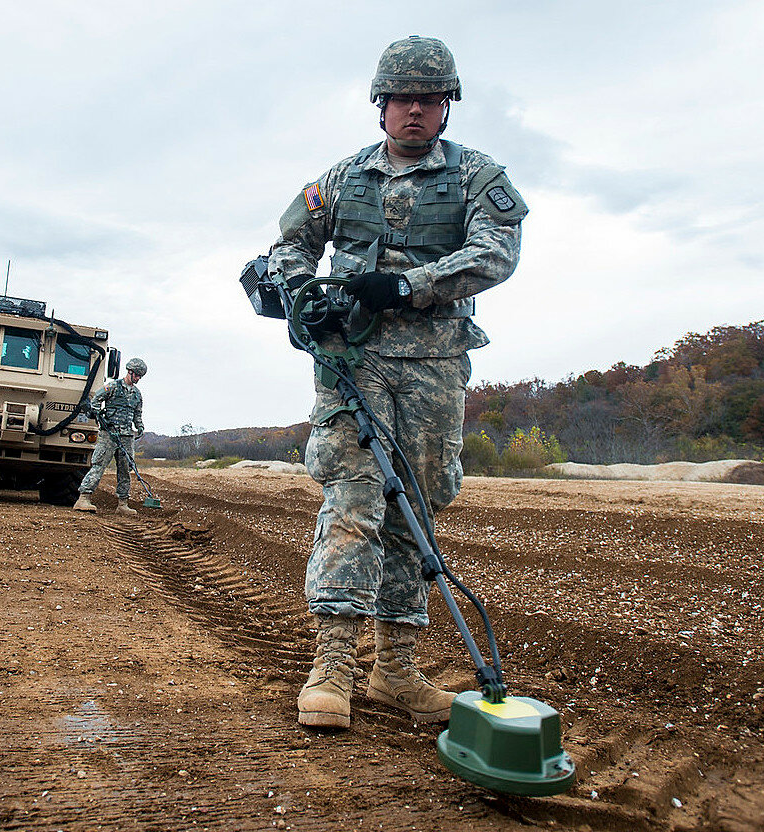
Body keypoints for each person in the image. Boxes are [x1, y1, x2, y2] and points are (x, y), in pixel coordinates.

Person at [267, 35, 527, 729]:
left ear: (447, 106)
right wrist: (302, 290)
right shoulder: (345, 177)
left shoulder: (476, 175)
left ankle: (396, 671)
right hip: (352, 363)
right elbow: (289, 241)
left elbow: (496, 253)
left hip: (435, 366)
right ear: (381, 105)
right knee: (354, 502)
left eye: (429, 99)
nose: (415, 110)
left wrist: (408, 284)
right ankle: (331, 670)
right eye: (403, 99)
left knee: (416, 507)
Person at [73, 357, 147, 515]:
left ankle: (122, 504)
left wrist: (139, 426)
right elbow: (95, 401)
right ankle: (84, 498)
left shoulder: (136, 394)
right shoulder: (113, 387)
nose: (138, 378)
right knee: (99, 465)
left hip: (127, 435)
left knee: (125, 469)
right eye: (137, 375)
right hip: (109, 434)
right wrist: (100, 416)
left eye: (140, 376)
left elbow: (137, 414)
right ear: (130, 372)